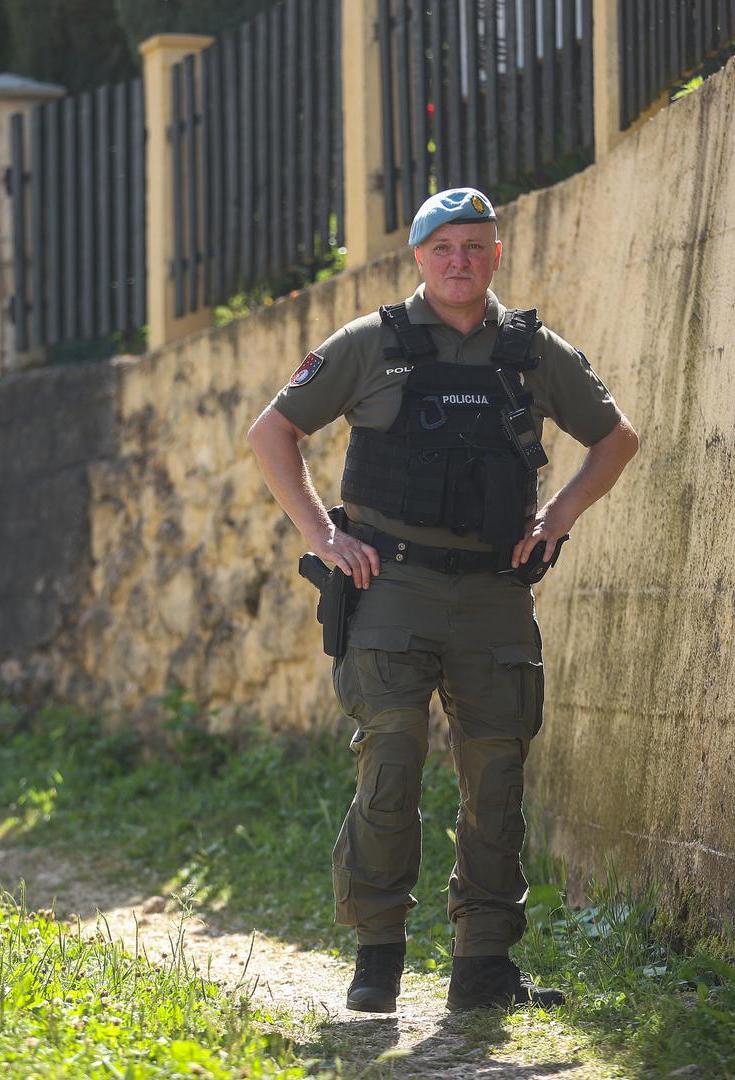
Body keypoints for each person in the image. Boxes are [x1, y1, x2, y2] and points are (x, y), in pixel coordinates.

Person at [246, 187, 640, 1014]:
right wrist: (325, 537)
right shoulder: (368, 345)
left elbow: (615, 437)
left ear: (496, 254)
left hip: (496, 594)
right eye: (442, 248)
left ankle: (483, 968)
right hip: (388, 587)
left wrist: (558, 515)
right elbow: (272, 432)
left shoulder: (532, 351)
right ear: (418, 257)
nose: (459, 261)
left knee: (495, 777)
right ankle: (377, 957)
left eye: (475, 246)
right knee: (389, 761)